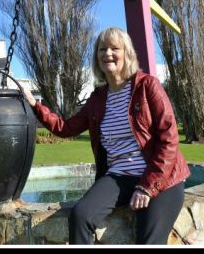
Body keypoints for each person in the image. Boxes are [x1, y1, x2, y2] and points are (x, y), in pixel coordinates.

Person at [22, 27, 190, 245]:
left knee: (148, 242)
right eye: (102, 49)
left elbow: (169, 139)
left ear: (127, 54)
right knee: (81, 215)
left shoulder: (147, 86)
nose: (107, 53)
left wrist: (147, 186)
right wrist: (35, 105)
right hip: (118, 176)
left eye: (114, 48)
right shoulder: (97, 99)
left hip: (160, 177)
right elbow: (65, 127)